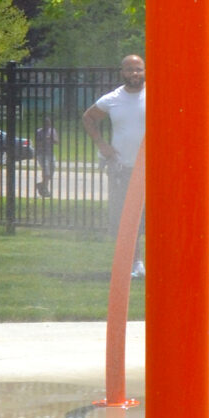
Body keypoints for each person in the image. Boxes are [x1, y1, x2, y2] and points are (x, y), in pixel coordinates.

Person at [82, 53, 147, 280]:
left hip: (154, 170)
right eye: (129, 69)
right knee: (127, 219)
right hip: (123, 168)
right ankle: (135, 263)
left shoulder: (157, 93)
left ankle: (160, 262)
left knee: (157, 219)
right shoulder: (113, 99)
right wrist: (102, 144)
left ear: (145, 70)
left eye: (138, 69)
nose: (134, 74)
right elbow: (88, 118)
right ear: (122, 72)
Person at [33, 120, 58, 201]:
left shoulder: (52, 131)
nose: (47, 126)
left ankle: (41, 185)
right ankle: (45, 190)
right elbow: (36, 143)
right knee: (46, 172)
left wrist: (52, 139)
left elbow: (57, 142)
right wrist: (45, 140)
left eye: (48, 124)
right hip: (41, 154)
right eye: (46, 124)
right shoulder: (39, 132)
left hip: (50, 154)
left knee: (52, 170)